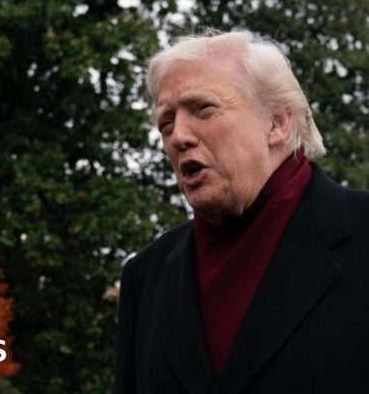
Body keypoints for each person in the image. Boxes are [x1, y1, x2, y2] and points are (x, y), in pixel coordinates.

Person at [114, 29, 369, 394]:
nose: (178, 136)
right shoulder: (145, 277)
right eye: (166, 123)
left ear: (277, 122)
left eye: (203, 109)